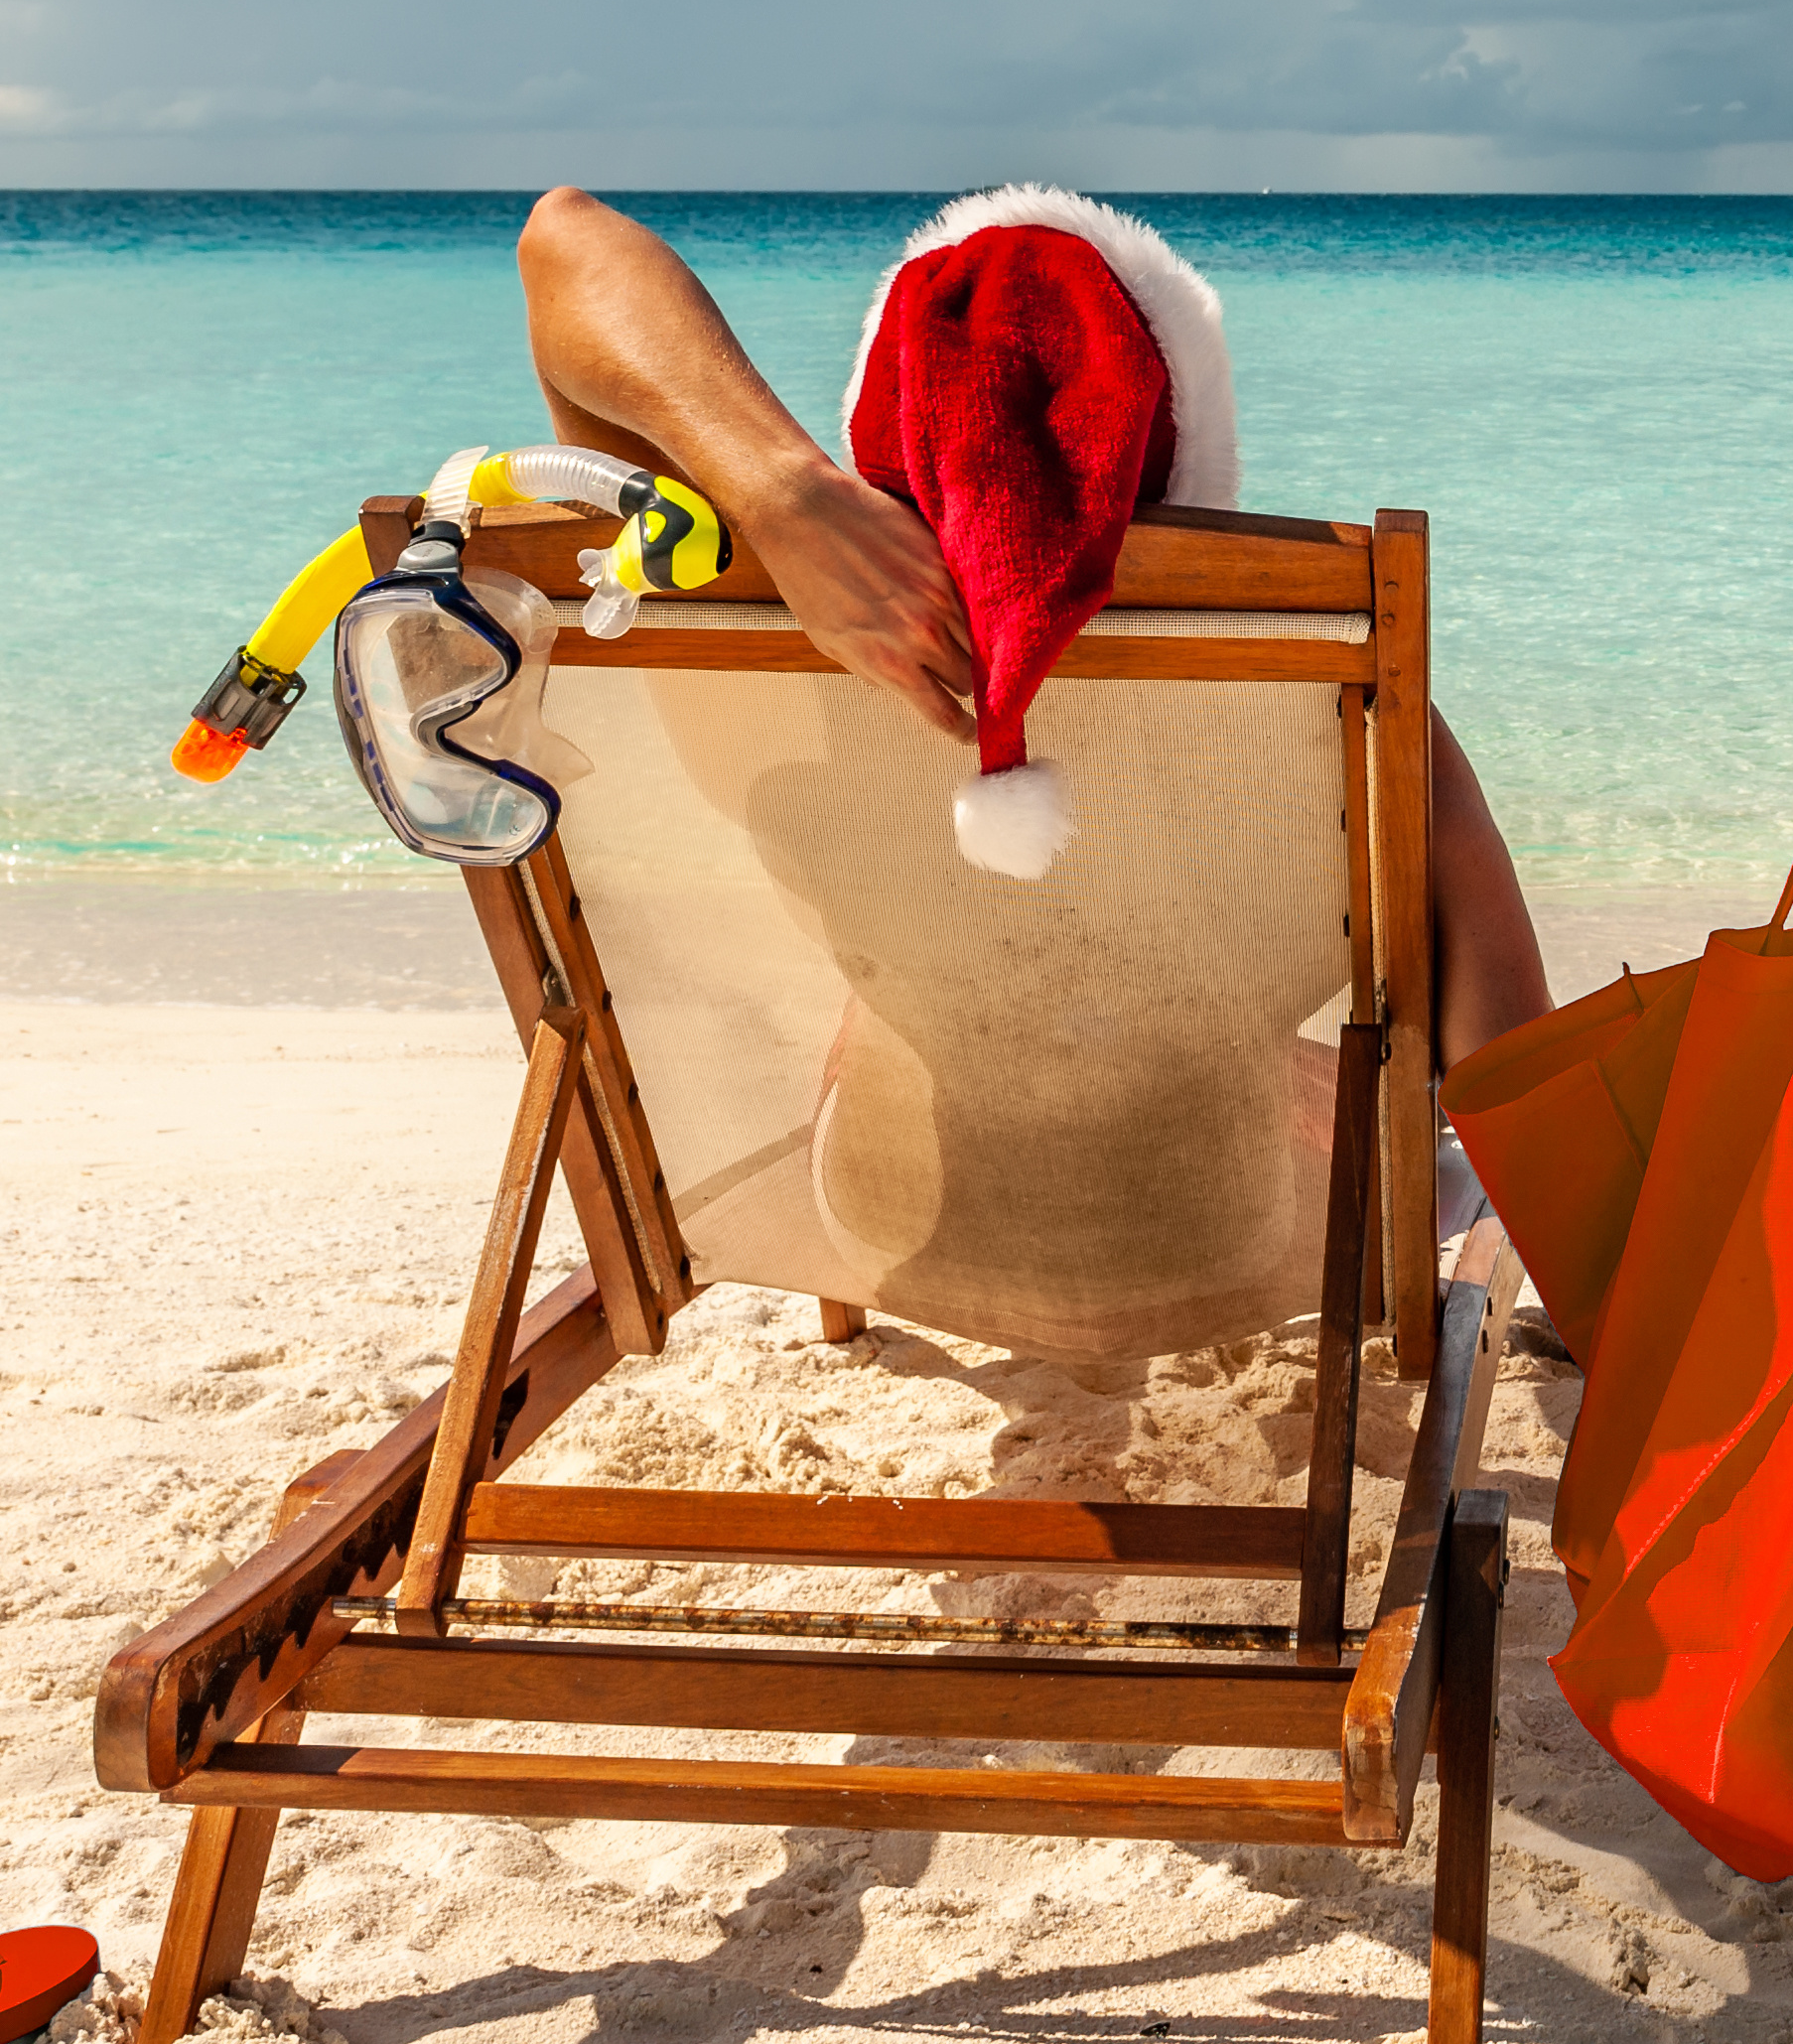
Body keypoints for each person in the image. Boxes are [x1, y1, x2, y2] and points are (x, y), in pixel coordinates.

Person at [517, 192, 1557, 1332]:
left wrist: (784, 497)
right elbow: (1514, 1084)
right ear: (1188, 453)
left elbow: (562, 242)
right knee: (1281, 1065)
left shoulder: (776, 676)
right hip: (1231, 1236)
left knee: (955, 987)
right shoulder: (1340, 714)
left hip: (889, 1223)